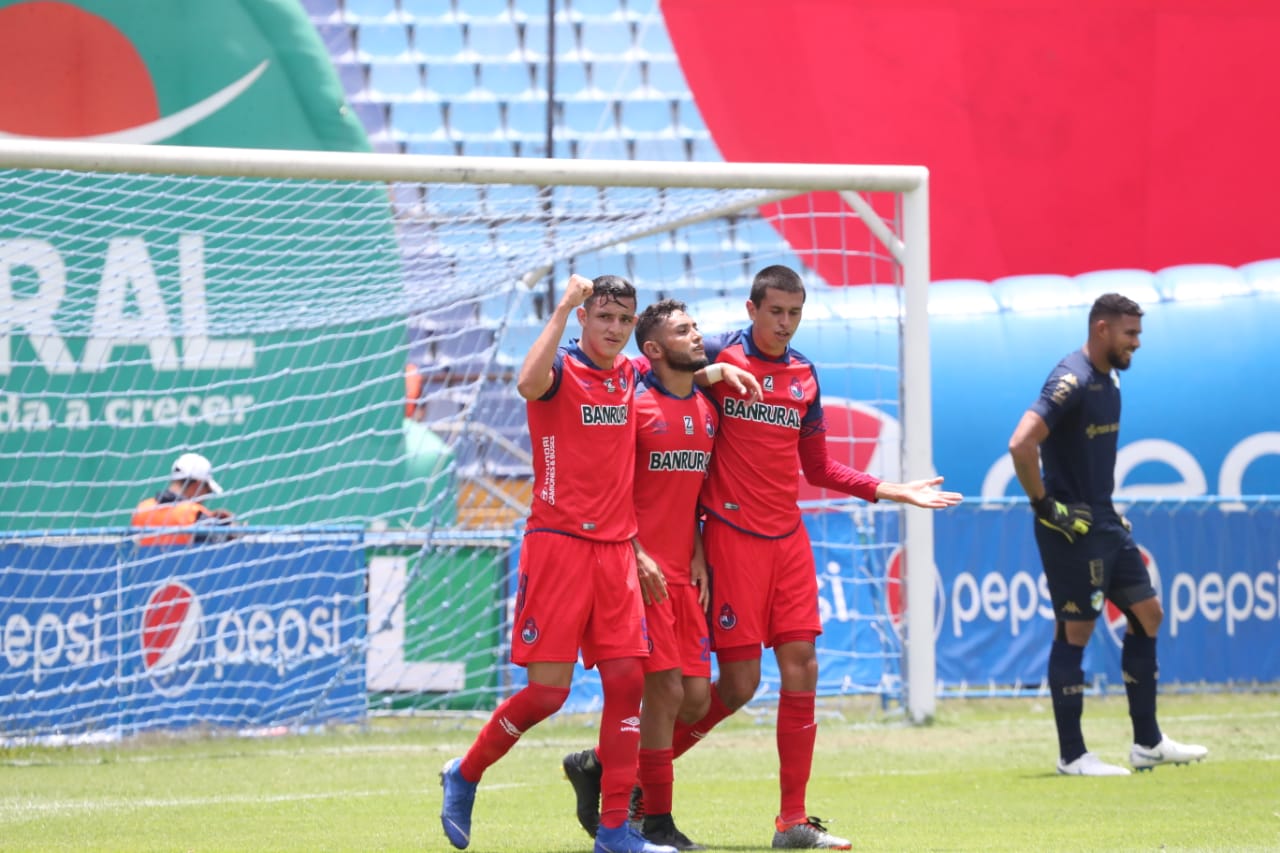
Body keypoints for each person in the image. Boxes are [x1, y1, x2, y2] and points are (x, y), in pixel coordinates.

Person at [439, 276, 756, 853]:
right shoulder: (560, 369)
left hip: (615, 555)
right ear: (585, 317)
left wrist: (716, 372)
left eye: (622, 320)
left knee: (629, 683)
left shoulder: (631, 374)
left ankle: (614, 833)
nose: (613, 328)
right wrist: (561, 305)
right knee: (546, 695)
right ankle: (464, 774)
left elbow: (677, 377)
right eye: (602, 317)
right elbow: (525, 382)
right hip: (558, 546)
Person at [668, 264, 962, 850]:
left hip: (789, 540)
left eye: (794, 313)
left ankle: (791, 821)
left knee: (802, 663)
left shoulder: (805, 374)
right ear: (751, 310)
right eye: (774, 311)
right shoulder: (718, 359)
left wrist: (891, 488)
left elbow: (819, 469)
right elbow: (659, 377)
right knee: (741, 683)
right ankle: (633, 771)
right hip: (730, 535)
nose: (784, 323)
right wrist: (709, 373)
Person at [1007, 293, 1208, 776]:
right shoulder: (1070, 379)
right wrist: (1045, 507)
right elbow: (1021, 442)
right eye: (1130, 334)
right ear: (1102, 329)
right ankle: (1073, 755)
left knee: (1149, 612)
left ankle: (1148, 743)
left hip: (1106, 523)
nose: (1136, 343)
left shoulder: (1108, 377)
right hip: (1071, 529)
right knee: (1075, 630)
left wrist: (1106, 511)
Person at [562, 299, 718, 851]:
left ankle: (597, 765)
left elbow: (689, 495)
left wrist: (698, 548)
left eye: (696, 327)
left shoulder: (705, 408)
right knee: (668, 693)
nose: (698, 336)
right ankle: (655, 822)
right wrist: (633, 551)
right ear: (652, 350)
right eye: (684, 330)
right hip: (641, 574)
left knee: (696, 698)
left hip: (684, 573)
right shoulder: (636, 405)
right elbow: (610, 488)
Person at [130, 452, 234, 545]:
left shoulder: (142, 509)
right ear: (198, 485)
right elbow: (225, 547)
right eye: (208, 491)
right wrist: (228, 525)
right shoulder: (194, 515)